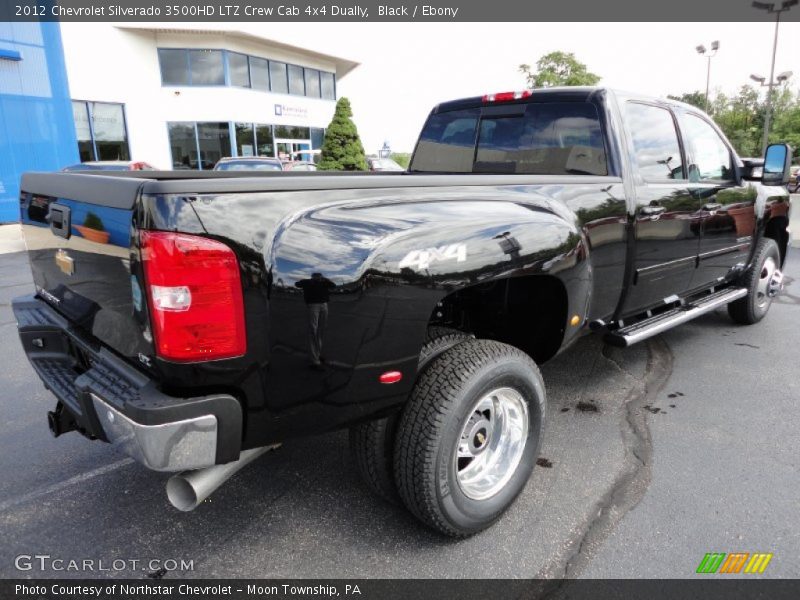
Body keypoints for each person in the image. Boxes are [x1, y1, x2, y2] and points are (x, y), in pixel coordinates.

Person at [294, 273, 336, 369]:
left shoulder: (324, 282)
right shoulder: (307, 282)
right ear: (312, 277)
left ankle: (317, 354)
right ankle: (314, 361)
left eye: (319, 276)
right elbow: (297, 284)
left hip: (324, 305)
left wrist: (326, 279)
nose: (318, 278)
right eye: (316, 276)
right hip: (313, 306)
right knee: (313, 330)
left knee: (321, 330)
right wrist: (306, 281)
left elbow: (333, 286)